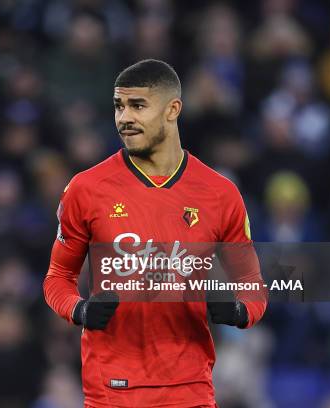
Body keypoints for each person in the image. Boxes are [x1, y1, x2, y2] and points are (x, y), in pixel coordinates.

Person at [43, 59, 267, 407]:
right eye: (119, 106)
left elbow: (253, 284)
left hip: (190, 389)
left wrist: (237, 312)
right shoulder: (85, 189)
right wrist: (80, 311)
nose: (124, 118)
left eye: (137, 106)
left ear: (172, 109)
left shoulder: (220, 193)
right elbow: (58, 277)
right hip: (111, 390)